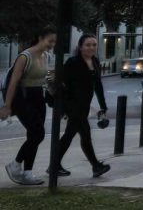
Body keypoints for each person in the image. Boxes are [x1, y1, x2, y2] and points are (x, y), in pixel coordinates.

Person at [51, 34, 110, 179]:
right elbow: (61, 84)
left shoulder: (95, 61)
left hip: (84, 105)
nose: (91, 48)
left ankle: (54, 165)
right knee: (85, 134)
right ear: (80, 46)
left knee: (70, 135)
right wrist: (63, 108)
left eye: (94, 45)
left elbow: (98, 86)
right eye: (88, 45)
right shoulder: (73, 62)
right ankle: (95, 165)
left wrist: (103, 106)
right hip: (72, 105)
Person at [2, 27, 56, 186]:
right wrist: (7, 106)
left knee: (35, 135)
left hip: (38, 97)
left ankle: (27, 172)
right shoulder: (25, 56)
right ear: (40, 38)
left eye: (54, 42)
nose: (52, 44)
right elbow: (13, 82)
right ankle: (16, 165)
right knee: (38, 133)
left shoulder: (46, 56)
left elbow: (45, 78)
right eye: (50, 41)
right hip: (23, 99)